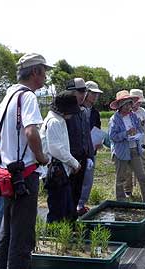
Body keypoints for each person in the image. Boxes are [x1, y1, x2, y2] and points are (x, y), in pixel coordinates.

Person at [0, 53, 50, 269]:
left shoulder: (8, 95)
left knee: (7, 232)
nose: (45, 76)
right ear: (35, 72)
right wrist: (41, 157)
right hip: (24, 175)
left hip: (8, 173)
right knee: (22, 236)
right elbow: (31, 132)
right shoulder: (27, 97)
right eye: (44, 71)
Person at [40, 91, 81, 222]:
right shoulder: (54, 122)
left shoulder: (58, 120)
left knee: (65, 205)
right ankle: (54, 235)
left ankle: (61, 233)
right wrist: (74, 163)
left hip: (60, 169)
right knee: (57, 207)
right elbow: (56, 148)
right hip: (55, 170)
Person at [109, 90, 145, 202]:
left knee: (142, 176)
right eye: (126, 104)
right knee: (121, 178)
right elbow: (113, 137)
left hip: (135, 149)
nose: (129, 106)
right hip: (121, 151)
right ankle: (121, 200)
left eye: (130, 103)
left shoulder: (133, 116)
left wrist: (139, 131)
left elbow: (140, 130)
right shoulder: (114, 119)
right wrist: (126, 133)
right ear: (120, 106)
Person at [65, 78, 95, 213]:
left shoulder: (83, 111)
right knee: (67, 194)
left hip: (82, 159)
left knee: (77, 191)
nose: (83, 95)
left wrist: (89, 155)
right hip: (68, 160)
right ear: (71, 92)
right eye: (80, 92)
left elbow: (86, 136)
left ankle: (74, 218)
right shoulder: (64, 113)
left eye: (84, 92)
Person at [77, 81, 103, 216]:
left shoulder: (95, 113)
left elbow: (97, 129)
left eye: (97, 94)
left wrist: (98, 142)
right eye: (93, 93)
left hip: (91, 150)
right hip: (77, 151)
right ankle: (74, 205)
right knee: (76, 179)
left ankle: (81, 204)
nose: (95, 96)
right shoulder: (77, 110)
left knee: (88, 179)